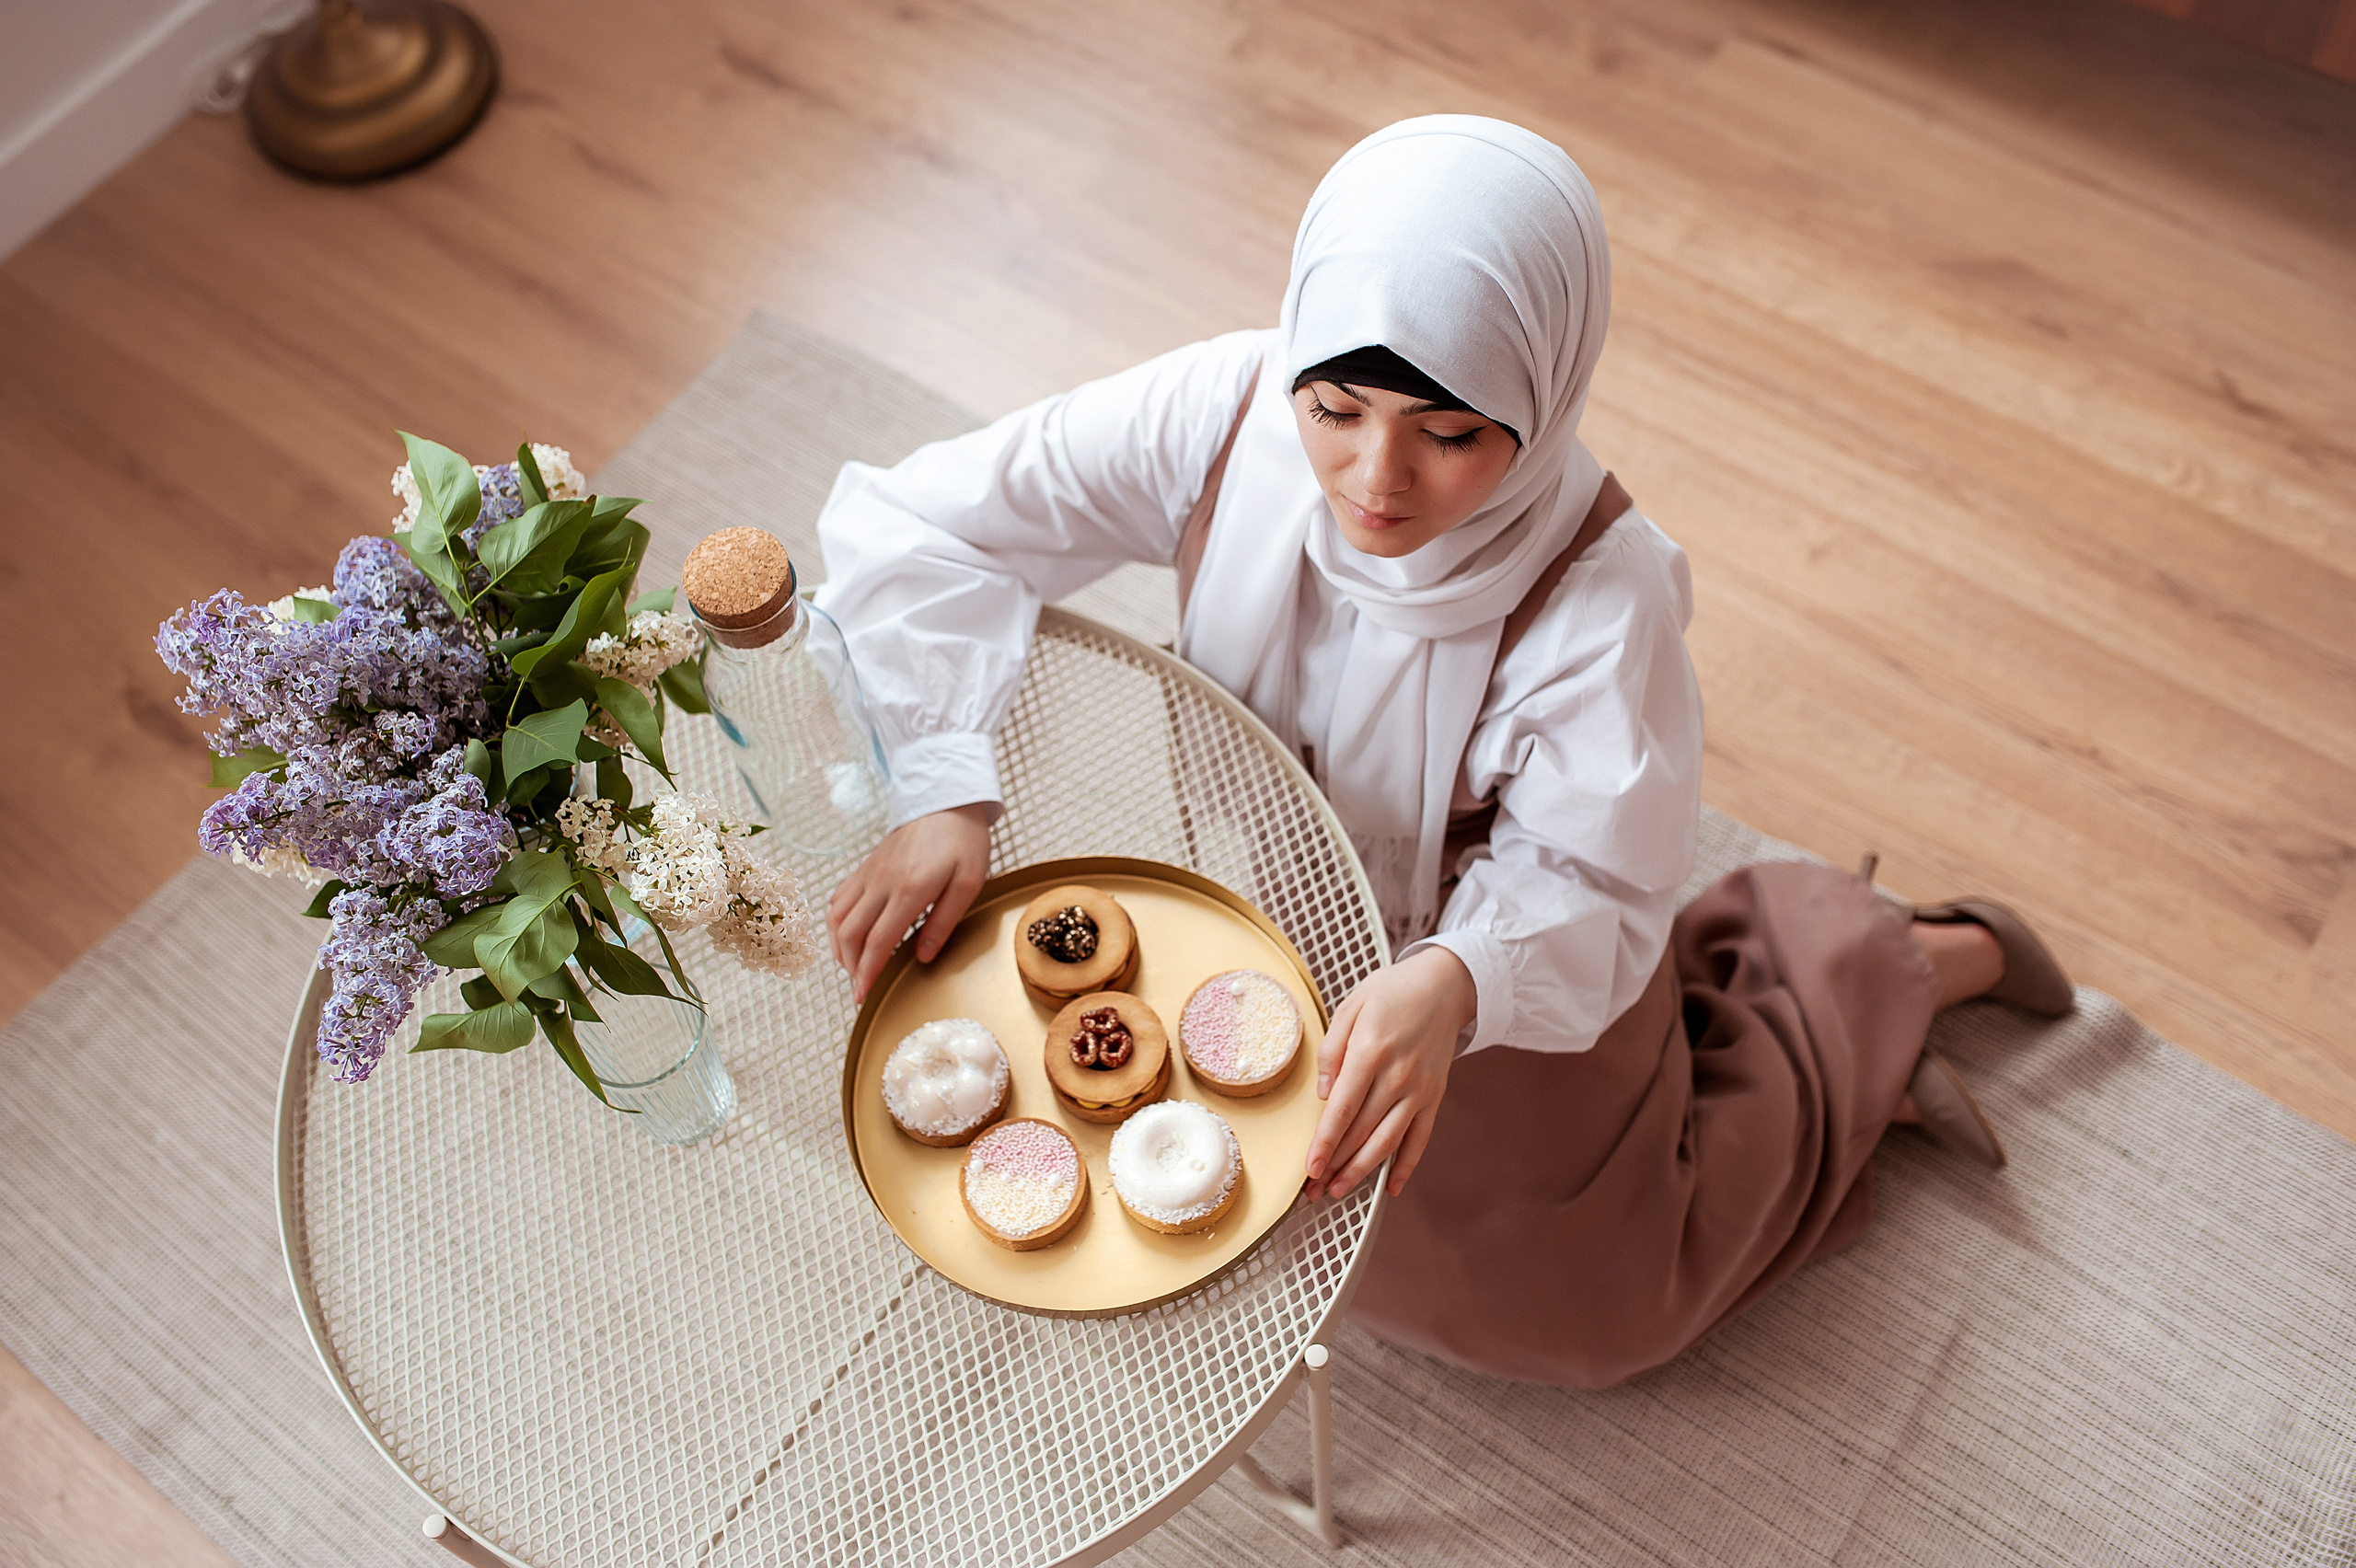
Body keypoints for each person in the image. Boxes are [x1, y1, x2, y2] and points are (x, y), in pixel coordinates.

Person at [814, 116, 2074, 1389]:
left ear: (1548, 392)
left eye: (1451, 432)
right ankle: (1850, 1021)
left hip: (1500, 979)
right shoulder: (1225, 413)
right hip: (1290, 920)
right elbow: (924, 523)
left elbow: (1590, 881)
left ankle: (1879, 971)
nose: (1375, 479)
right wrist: (942, 783)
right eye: (1338, 407)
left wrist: (1458, 977)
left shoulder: (1602, 604)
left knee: (1594, 1313)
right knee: (1271, 1196)